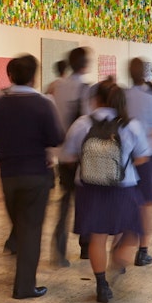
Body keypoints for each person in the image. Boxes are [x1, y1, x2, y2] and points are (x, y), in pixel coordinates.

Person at [61, 82, 149, 303]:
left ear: (96, 99)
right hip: (123, 187)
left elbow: (68, 156)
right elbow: (142, 157)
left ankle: (101, 285)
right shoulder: (131, 125)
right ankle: (118, 258)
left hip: (89, 187)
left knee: (97, 237)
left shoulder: (82, 124)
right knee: (131, 230)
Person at [0, 55, 64, 298]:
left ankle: (22, 277)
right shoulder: (42, 103)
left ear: (10, 75)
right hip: (36, 174)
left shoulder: (0, 102)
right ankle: (24, 286)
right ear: (34, 76)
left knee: (20, 225)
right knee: (31, 230)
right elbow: (56, 137)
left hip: (8, 174)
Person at [51, 47, 92, 262]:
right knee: (85, 199)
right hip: (82, 153)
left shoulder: (59, 87)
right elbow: (86, 122)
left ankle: (58, 245)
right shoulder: (86, 89)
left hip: (63, 151)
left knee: (65, 199)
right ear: (85, 65)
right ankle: (85, 245)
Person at [124, 58, 152, 267]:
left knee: (126, 199)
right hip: (145, 155)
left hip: (125, 156)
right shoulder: (150, 99)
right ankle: (142, 250)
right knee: (146, 204)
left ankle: (123, 246)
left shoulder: (123, 96)